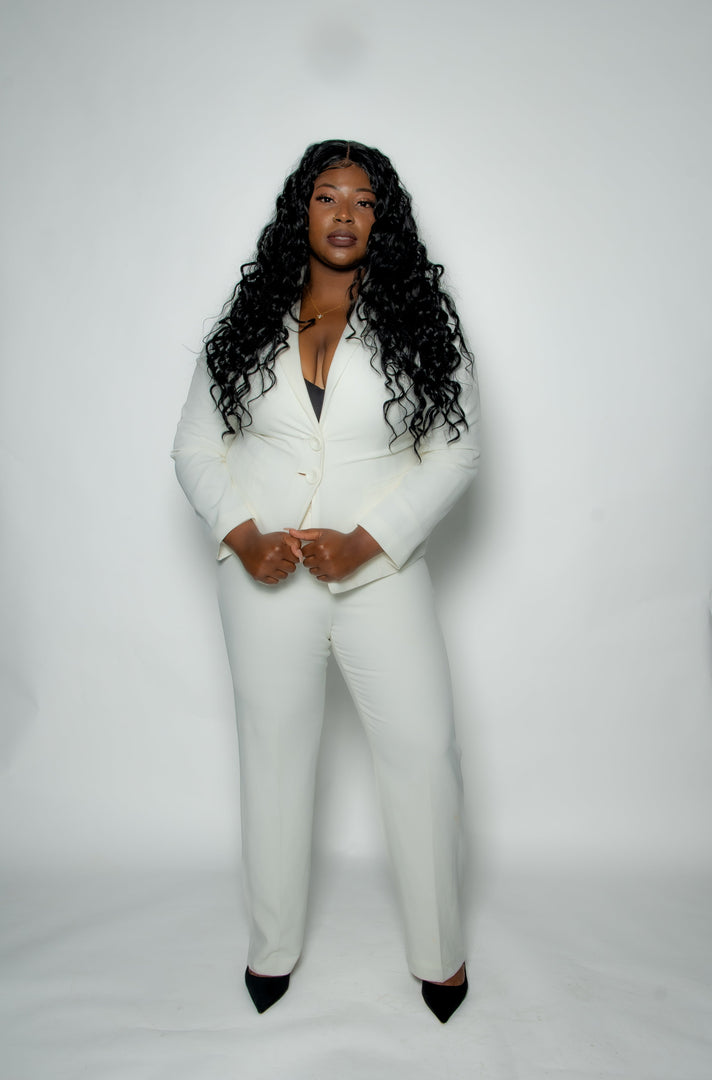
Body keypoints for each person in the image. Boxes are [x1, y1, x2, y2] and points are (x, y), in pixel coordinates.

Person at [172, 139, 480, 1023]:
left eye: (364, 200)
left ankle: (440, 955)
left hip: (382, 573)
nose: (345, 214)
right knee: (272, 756)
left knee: (423, 751)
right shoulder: (246, 322)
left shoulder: (421, 324)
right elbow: (193, 447)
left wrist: (366, 543)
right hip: (263, 577)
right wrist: (243, 535)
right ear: (299, 211)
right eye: (326, 196)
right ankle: (272, 948)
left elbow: (458, 454)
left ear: (384, 219)